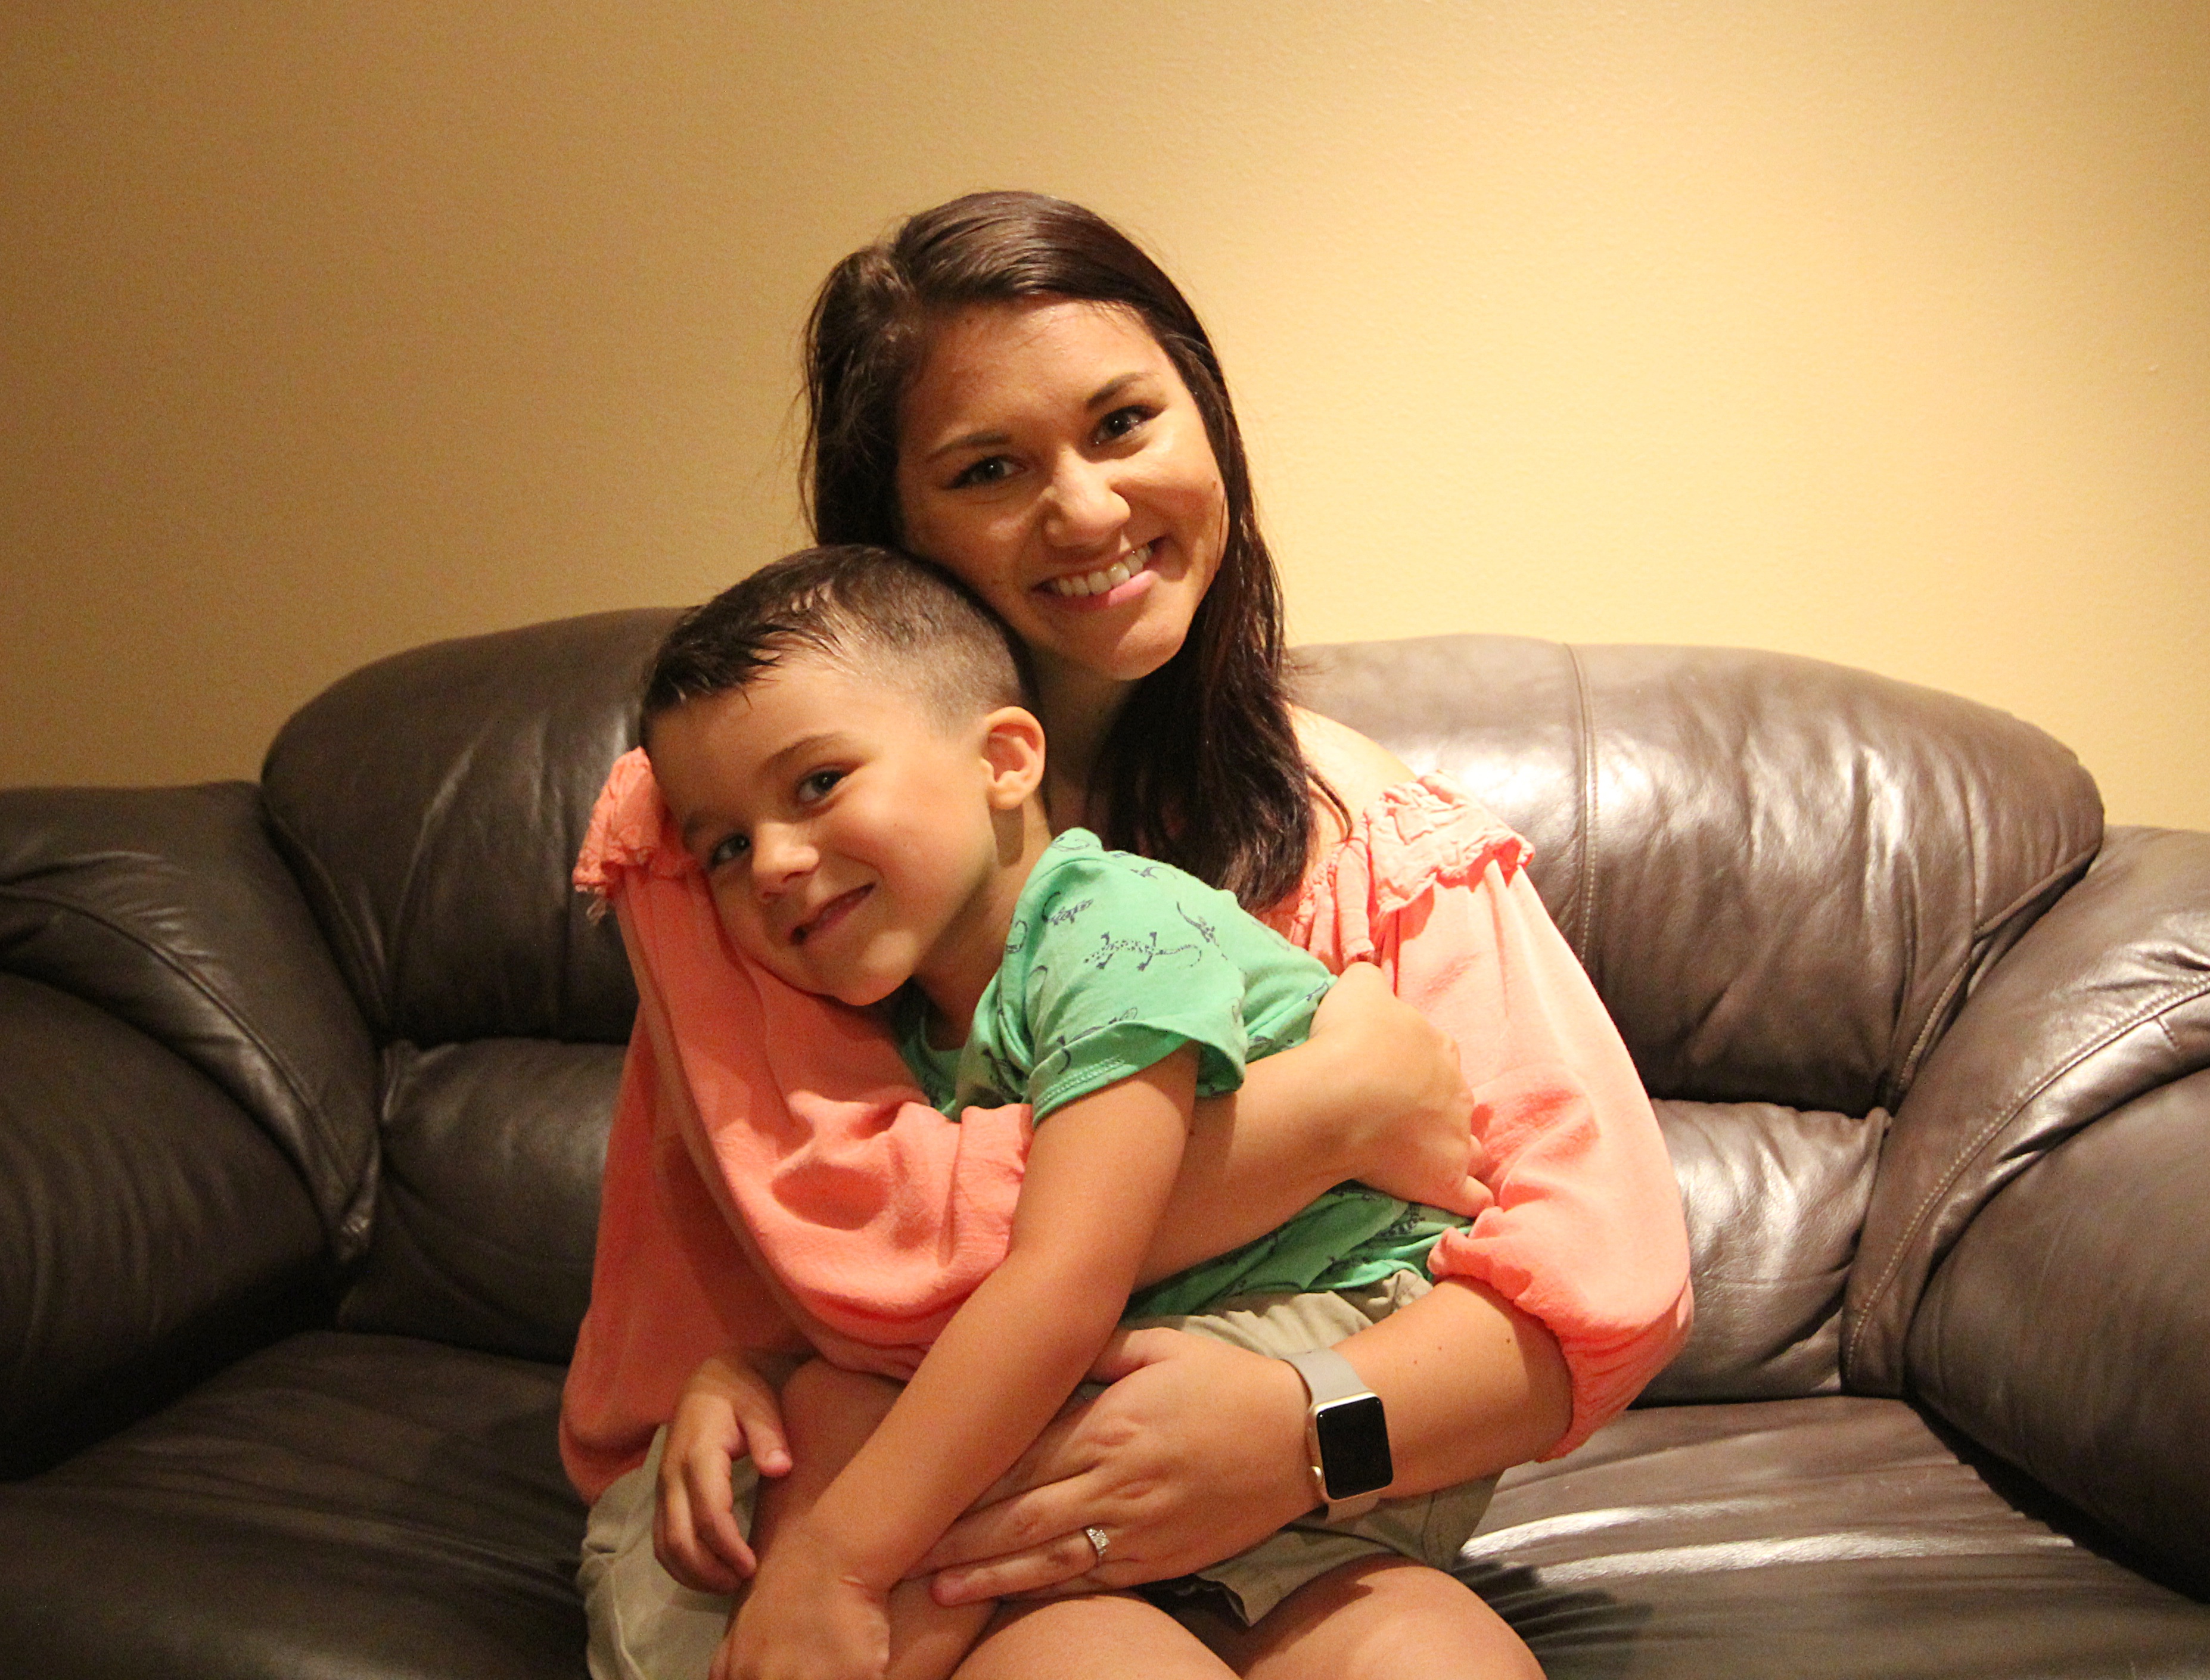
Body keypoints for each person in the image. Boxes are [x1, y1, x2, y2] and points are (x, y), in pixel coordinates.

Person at [562, 189, 1692, 1680]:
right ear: (893, 527)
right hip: (883, 1493)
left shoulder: (1369, 831)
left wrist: (1302, 1431)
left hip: (1301, 1513)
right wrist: (1320, 1115)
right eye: (988, 469)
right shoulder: (753, 838)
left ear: (1206, 419)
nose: (1089, 511)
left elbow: (1605, 1274)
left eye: (1124, 424)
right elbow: (847, 1253)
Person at [639, 543, 1535, 1680]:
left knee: (851, 1440)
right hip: (1229, 1458)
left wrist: (840, 1564)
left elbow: (1063, 1281)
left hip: (1327, 1349)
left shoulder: (1109, 931)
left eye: (817, 785)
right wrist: (750, 1375)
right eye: (723, 845)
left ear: (1005, 760)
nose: (770, 861)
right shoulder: (900, 1024)